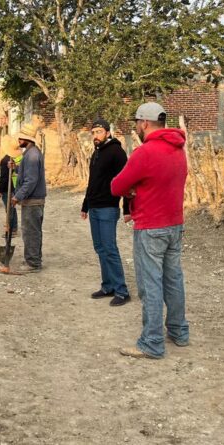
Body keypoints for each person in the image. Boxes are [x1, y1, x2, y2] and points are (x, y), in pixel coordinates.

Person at [111, 102, 189, 359]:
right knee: (173, 279)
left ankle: (152, 342)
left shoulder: (145, 152)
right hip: (174, 224)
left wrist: (134, 190)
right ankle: (178, 331)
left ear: (144, 123)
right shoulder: (178, 149)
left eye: (137, 123)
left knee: (150, 284)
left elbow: (117, 186)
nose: (137, 127)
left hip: (150, 226)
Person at [81, 117, 132, 307]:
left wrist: (127, 208)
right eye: (93, 133)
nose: (95, 135)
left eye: (99, 132)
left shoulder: (116, 152)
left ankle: (121, 290)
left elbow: (126, 181)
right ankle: (107, 285)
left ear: (108, 133)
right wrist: (85, 205)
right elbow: (92, 182)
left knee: (110, 249)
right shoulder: (97, 153)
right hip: (94, 207)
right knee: (100, 248)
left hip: (108, 208)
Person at [11, 123, 46, 272]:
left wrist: (17, 196)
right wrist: (16, 168)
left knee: (31, 232)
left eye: (21, 138)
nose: (19, 140)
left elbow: (30, 180)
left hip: (33, 201)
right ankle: (34, 260)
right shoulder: (31, 153)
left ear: (27, 139)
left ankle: (33, 263)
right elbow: (28, 173)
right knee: (33, 231)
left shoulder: (32, 155)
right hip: (32, 201)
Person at [0, 142, 22, 237]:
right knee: (11, 209)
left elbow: (3, 177)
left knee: (10, 209)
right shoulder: (10, 159)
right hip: (11, 187)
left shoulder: (5, 161)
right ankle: (13, 228)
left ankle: (12, 229)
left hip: (7, 188)